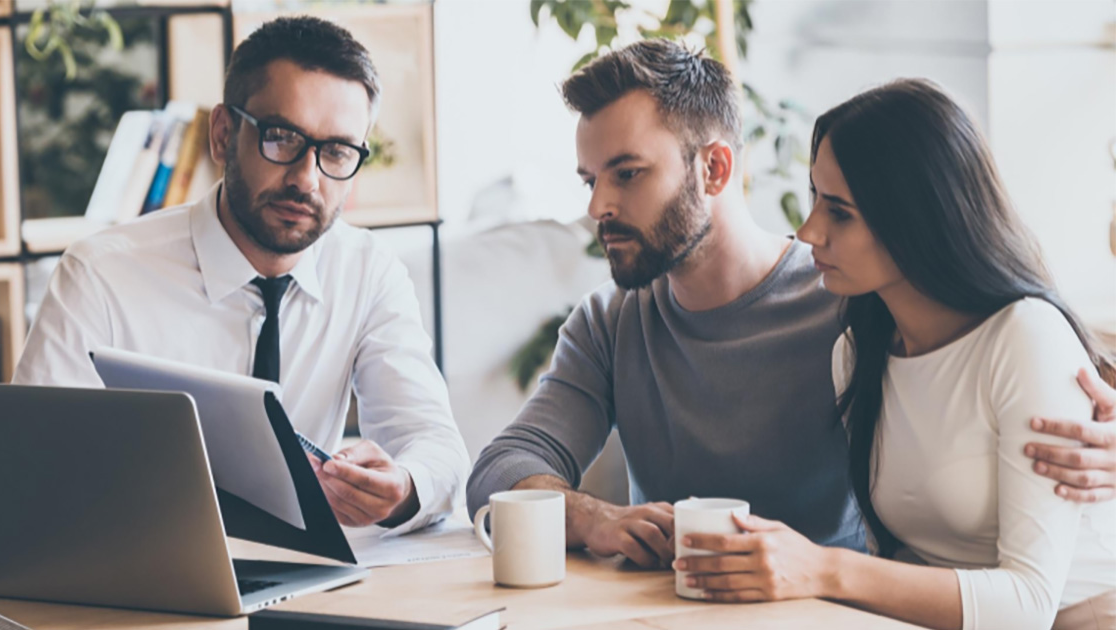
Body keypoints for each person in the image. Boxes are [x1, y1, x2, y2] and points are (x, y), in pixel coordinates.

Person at [466, 40, 1116, 569]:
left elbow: (1006, 337)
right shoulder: (609, 323)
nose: (598, 207)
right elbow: (502, 466)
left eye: (627, 173)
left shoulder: (852, 294)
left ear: (714, 170)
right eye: (590, 179)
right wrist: (592, 517)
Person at [678, 79, 1115, 630]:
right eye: (815, 197)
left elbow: (1028, 605)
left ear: (918, 219)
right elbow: (905, 563)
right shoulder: (859, 353)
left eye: (840, 212)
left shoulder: (1024, 338)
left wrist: (823, 569)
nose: (809, 231)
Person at [13, 16, 469, 534]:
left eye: (337, 152)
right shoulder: (100, 275)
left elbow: (437, 446)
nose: (306, 179)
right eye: (281, 138)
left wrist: (405, 486)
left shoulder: (368, 272)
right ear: (224, 134)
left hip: (306, 587)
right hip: (138, 570)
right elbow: (34, 473)